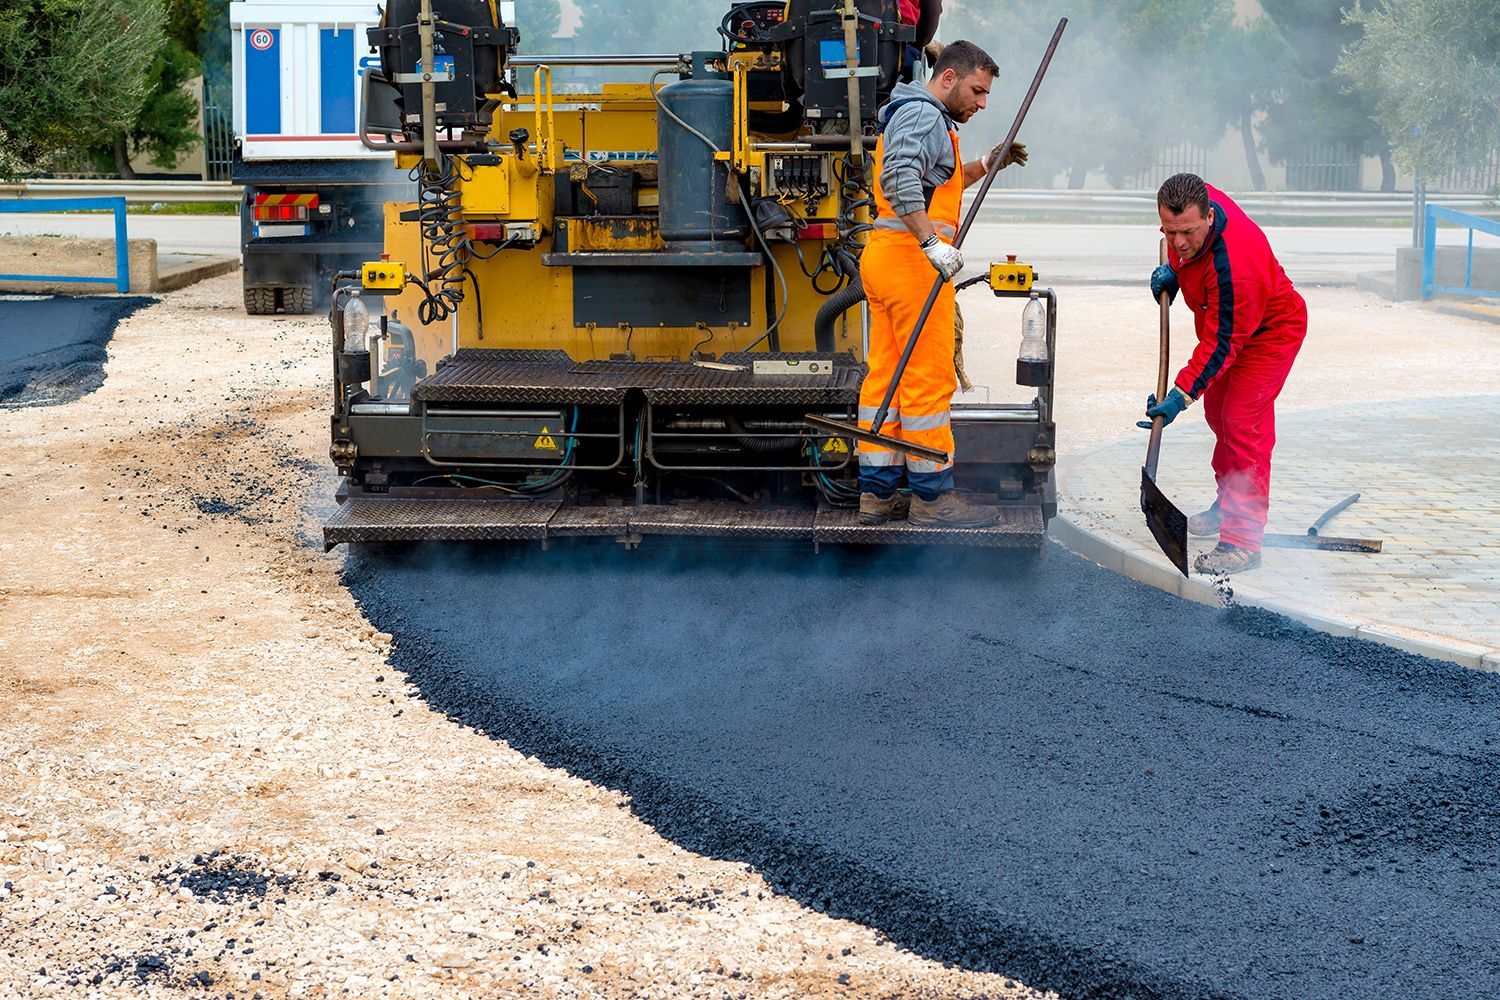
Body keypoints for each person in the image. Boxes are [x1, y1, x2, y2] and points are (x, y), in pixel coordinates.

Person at [857, 39, 1027, 527]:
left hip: (889, 259)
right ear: (948, 77)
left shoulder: (919, 116)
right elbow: (900, 179)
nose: (981, 102)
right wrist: (932, 244)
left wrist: (983, 164)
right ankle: (932, 499)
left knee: (886, 380)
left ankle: (878, 493)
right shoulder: (925, 115)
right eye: (977, 90)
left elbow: (932, 183)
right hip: (912, 265)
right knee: (927, 382)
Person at [1140, 172, 1308, 574]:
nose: (1178, 243)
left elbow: (1220, 346)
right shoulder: (1192, 200)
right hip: (1231, 327)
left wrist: (1180, 394)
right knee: (1218, 413)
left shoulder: (1238, 266)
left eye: (1188, 233)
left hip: (1269, 333)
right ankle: (1229, 501)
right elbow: (1181, 242)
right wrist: (1178, 270)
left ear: (1210, 216)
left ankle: (1243, 539)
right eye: (1169, 231)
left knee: (1241, 423)